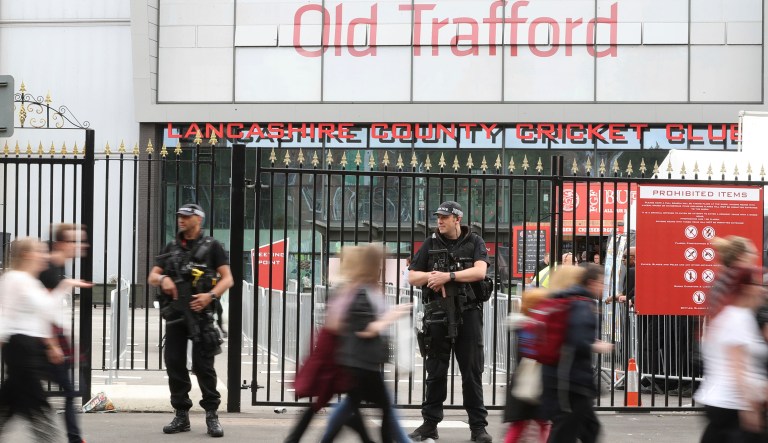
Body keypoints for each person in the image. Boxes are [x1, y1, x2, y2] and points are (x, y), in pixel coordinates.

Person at [407, 201, 493, 443]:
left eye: (445, 217)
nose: (440, 221)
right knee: (435, 372)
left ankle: (478, 428)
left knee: (471, 372)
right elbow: (412, 276)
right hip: (437, 314)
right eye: (438, 217)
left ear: (457, 219)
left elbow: (480, 272)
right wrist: (433, 277)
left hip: (468, 313)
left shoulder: (474, 241)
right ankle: (429, 425)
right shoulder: (431, 242)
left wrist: (450, 276)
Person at [148, 203, 233, 438]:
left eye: (186, 216)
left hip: (201, 316)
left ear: (199, 219)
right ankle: (181, 414)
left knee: (203, 367)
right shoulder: (172, 246)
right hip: (175, 315)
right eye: (179, 216)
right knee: (174, 363)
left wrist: (210, 295)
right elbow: (152, 275)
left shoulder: (212, 246)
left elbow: (228, 279)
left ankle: (212, 415)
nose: (181, 220)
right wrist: (163, 278)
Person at [0, 237, 90, 442]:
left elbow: (45, 312)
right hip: (19, 348)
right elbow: (4, 316)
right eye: (39, 251)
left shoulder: (31, 281)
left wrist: (51, 345)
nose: (44, 255)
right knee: (38, 408)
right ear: (26, 255)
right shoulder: (13, 279)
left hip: (31, 348)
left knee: (9, 404)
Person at [320, 244, 412, 442]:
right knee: (385, 407)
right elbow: (366, 330)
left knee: (351, 405)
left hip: (356, 361)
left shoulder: (361, 289)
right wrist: (392, 315)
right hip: (362, 363)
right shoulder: (362, 292)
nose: (382, 268)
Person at [697, 238, 767, 443]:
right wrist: (751, 407)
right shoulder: (737, 316)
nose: (762, 289)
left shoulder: (726, 305)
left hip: (720, 400)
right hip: (732, 403)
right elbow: (738, 366)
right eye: (757, 284)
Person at [541, 263, 613, 443]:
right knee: (566, 432)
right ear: (591, 282)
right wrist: (598, 345)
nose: (604, 287)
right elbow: (579, 340)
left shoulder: (569, 300)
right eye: (602, 283)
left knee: (588, 429)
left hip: (564, 377)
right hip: (571, 380)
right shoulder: (581, 304)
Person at [38, 224, 90, 443]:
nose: (81, 245)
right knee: (69, 391)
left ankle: (74, 438)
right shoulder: (50, 270)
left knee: (68, 391)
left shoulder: (56, 267)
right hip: (44, 341)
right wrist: (53, 345)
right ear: (61, 244)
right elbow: (42, 310)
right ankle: (74, 439)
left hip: (54, 339)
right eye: (76, 241)